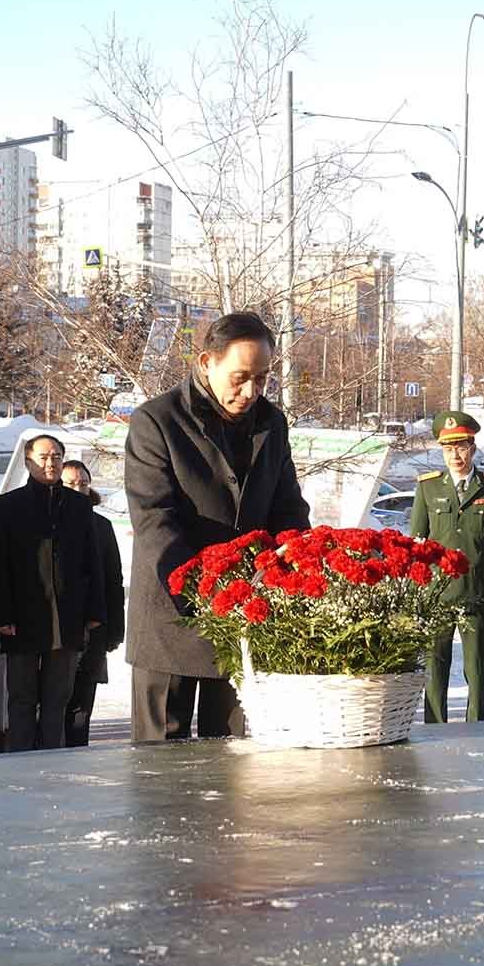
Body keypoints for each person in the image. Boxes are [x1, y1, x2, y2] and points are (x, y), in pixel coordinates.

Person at [124, 312, 311, 741]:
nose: (251, 391)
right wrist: (203, 591)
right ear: (207, 362)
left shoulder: (271, 423)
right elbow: (155, 520)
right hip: (172, 619)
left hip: (243, 622)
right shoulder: (157, 421)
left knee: (231, 768)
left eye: (262, 379)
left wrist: (298, 570)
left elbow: (289, 512)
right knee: (160, 772)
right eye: (240, 377)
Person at [0, 433, 100, 750]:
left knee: (57, 698)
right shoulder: (8, 505)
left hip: (67, 616)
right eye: (43, 457)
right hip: (21, 616)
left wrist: (94, 612)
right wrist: (1, 614)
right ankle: (20, 760)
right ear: (28, 461)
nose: (50, 463)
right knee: (22, 698)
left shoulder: (78, 505)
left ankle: (53, 759)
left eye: (56, 457)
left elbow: (93, 561)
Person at [409, 411, 484, 723]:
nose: (454, 456)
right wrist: (414, 593)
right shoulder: (428, 488)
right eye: (447, 449)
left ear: (472, 448)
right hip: (436, 596)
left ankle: (478, 729)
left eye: (461, 448)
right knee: (435, 668)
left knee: (477, 668)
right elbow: (416, 545)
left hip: (476, 592)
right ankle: (435, 728)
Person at [61, 460, 125, 747]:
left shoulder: (102, 526)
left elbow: (113, 578)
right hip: (56, 628)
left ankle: (77, 749)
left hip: (93, 628)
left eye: (83, 483)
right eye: (71, 483)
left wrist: (115, 631)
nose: (78, 488)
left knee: (82, 701)